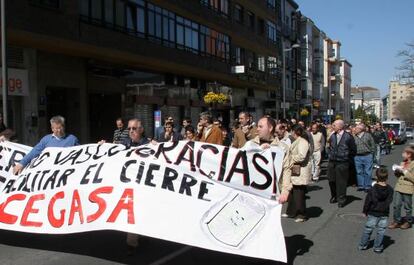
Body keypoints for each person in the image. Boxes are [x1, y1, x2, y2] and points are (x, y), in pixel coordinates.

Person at [119, 118, 150, 255]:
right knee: (131, 213)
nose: (131, 131)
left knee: (140, 212)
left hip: (143, 187)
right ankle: (131, 244)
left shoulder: (149, 145)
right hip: (127, 186)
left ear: (141, 130)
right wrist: (103, 146)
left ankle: (139, 235)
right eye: (129, 129)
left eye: (134, 128)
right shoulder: (124, 143)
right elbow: (113, 152)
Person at [245, 116, 292, 204]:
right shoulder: (250, 145)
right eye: (257, 126)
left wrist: (285, 192)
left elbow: (287, 169)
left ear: (270, 128)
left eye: (261, 126)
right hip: (250, 191)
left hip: (272, 194)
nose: (257, 129)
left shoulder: (282, 148)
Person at [13, 116, 79, 175]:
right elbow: (34, 152)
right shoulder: (46, 139)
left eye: (60, 128)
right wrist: (21, 164)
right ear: (52, 128)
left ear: (64, 127)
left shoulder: (72, 139)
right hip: (50, 173)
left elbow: (79, 154)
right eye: (56, 128)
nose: (58, 130)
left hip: (66, 172)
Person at [358, 167, 393, 253]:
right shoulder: (390, 189)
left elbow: (368, 201)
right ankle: (377, 247)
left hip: (373, 212)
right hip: (384, 213)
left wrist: (364, 211)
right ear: (387, 177)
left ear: (376, 177)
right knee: (381, 231)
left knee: (368, 229)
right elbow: (389, 200)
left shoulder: (373, 189)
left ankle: (363, 245)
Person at [327, 119, 357, 208]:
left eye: (334, 125)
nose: (332, 127)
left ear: (340, 126)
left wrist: (346, 158)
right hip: (332, 161)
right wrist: (330, 154)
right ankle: (334, 195)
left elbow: (353, 150)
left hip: (342, 162)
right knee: (331, 180)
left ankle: (341, 199)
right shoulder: (332, 135)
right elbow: (329, 147)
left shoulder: (348, 136)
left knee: (341, 182)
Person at [285, 125, 312, 222]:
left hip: (301, 170)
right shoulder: (298, 141)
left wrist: (290, 158)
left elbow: (301, 156)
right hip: (296, 170)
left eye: (291, 131)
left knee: (299, 193)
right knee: (293, 192)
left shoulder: (303, 142)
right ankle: (291, 211)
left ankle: (301, 214)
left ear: (294, 132)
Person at [388, 146, 414, 230]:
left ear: (409, 155)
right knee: (396, 205)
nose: (402, 154)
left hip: (407, 188)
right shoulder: (403, 162)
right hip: (399, 187)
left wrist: (404, 171)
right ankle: (397, 221)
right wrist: (397, 171)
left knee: (407, 206)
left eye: (404, 153)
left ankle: (408, 221)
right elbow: (399, 176)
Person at [354, 123, 376, 191]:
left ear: (361, 129)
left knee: (367, 171)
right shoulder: (354, 136)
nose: (355, 129)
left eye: (356, 128)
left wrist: (372, 154)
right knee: (359, 171)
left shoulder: (368, 135)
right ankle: (361, 185)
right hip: (357, 156)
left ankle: (367, 186)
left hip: (367, 155)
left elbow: (373, 145)